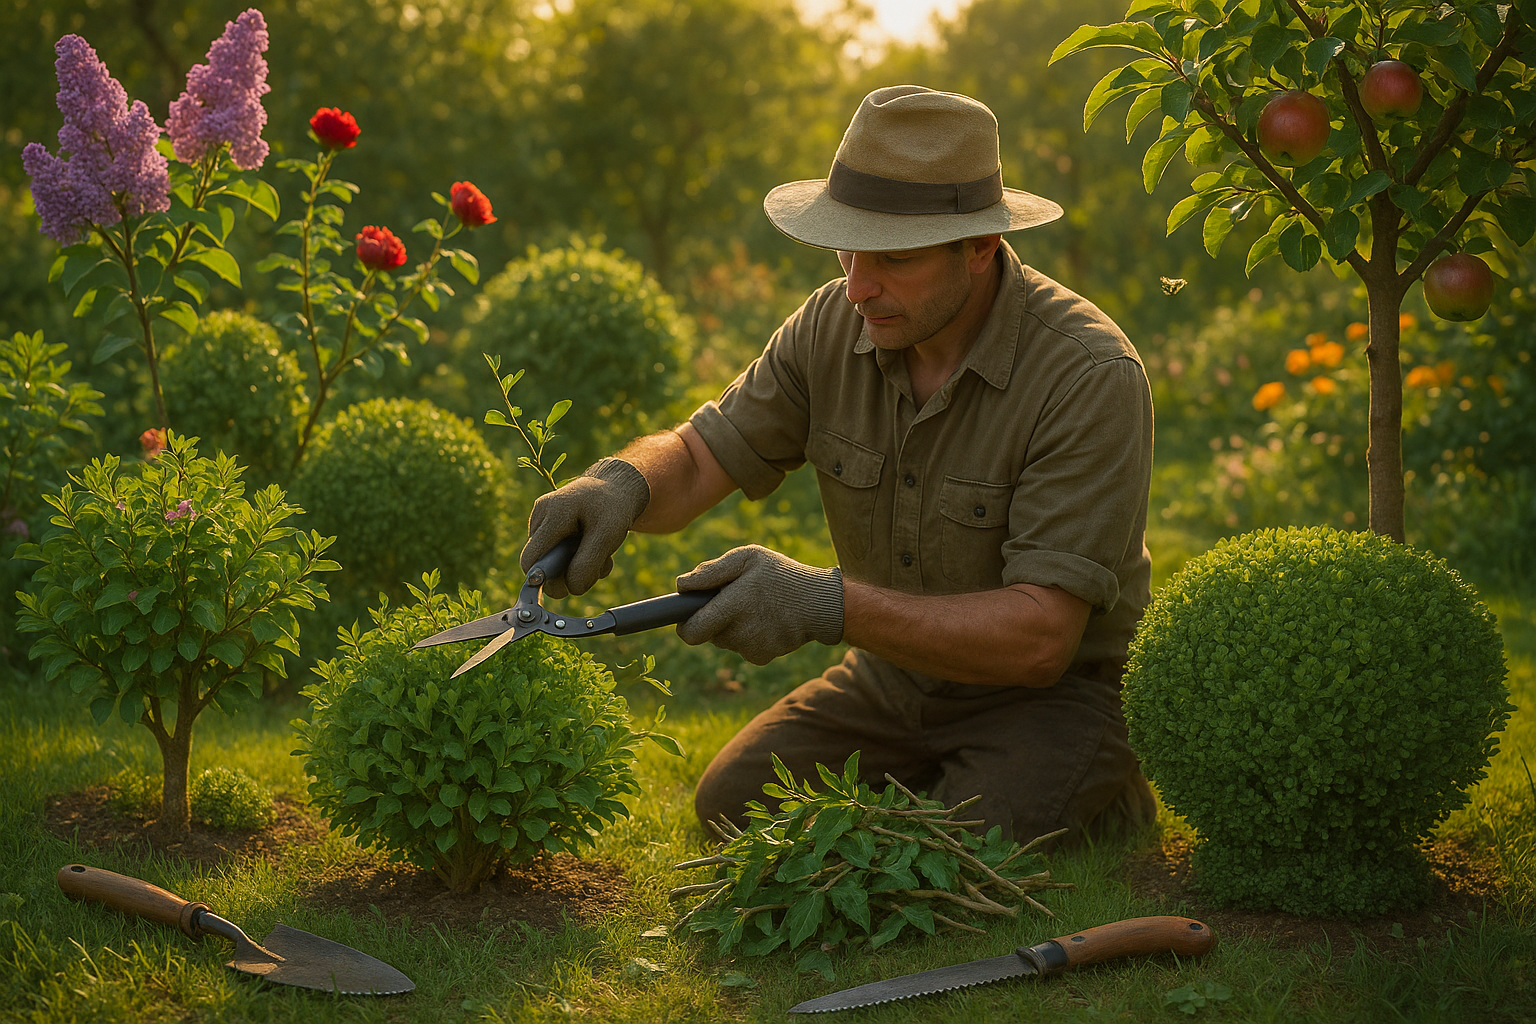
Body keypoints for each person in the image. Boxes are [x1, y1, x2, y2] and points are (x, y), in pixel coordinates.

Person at [521, 85, 1157, 847]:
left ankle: (1097, 793)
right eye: (846, 248)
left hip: (1052, 696)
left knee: (953, 851)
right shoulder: (834, 322)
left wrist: (827, 605)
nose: (858, 286)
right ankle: (953, 782)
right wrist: (618, 482)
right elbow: (697, 456)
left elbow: (1041, 640)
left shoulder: (1086, 375)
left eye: (894, 257)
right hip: (893, 678)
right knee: (733, 802)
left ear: (980, 247)